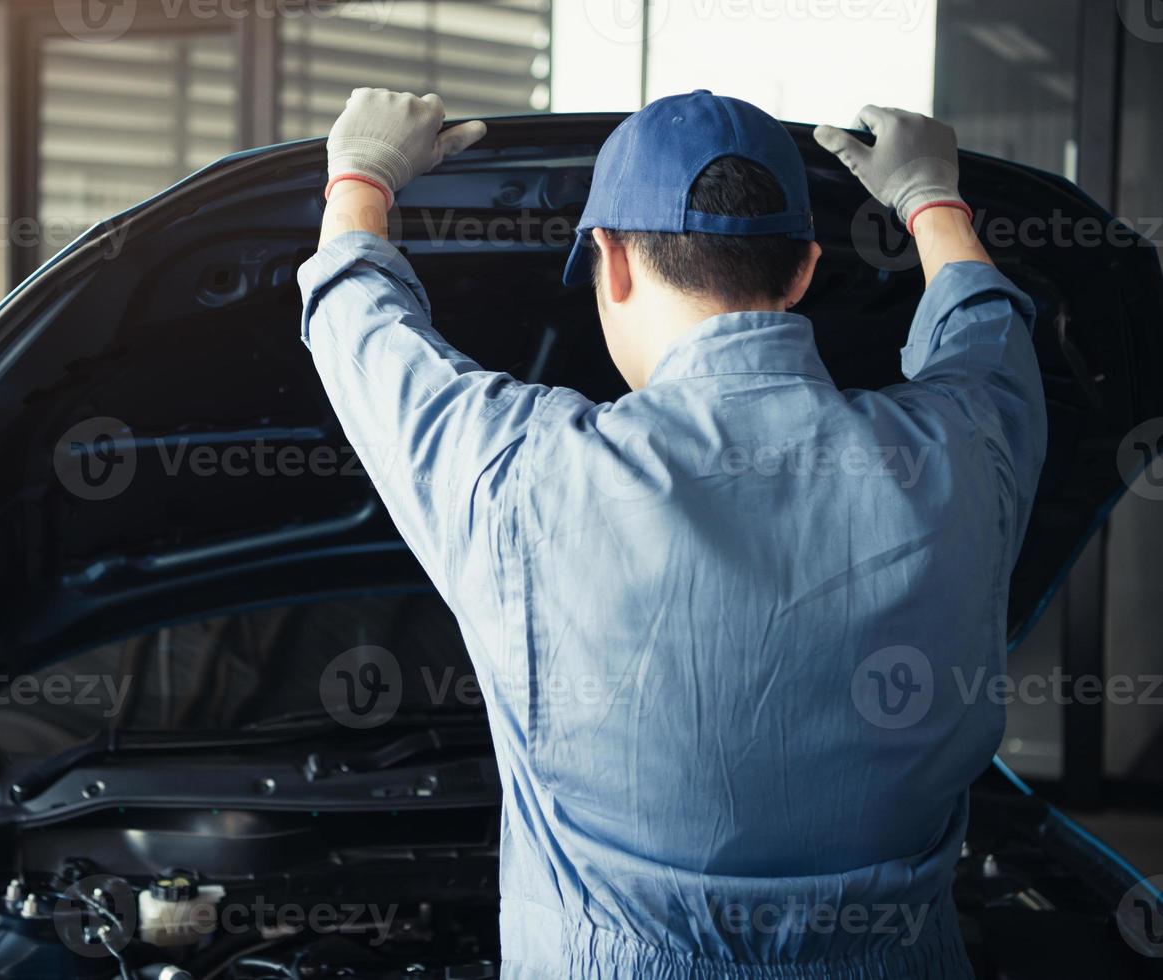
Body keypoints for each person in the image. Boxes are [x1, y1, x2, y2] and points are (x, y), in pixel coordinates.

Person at [296, 88, 1046, 979]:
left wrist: (361, 177)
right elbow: (986, 337)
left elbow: (364, 338)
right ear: (804, 270)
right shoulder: (959, 453)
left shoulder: (519, 474)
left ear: (610, 263)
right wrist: (933, 200)